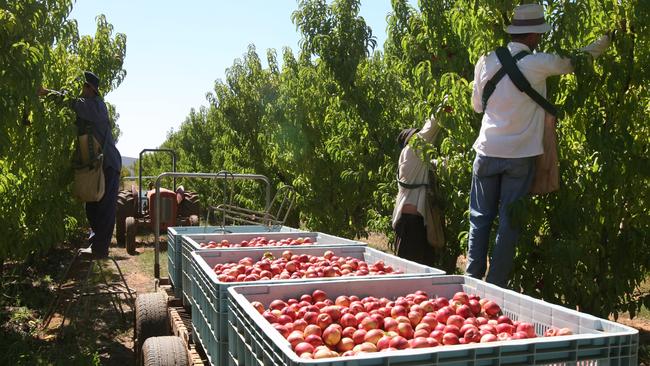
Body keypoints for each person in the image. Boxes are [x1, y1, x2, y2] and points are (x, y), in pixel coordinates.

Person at [465, 3, 611, 287]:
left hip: (485, 151)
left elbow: (476, 107)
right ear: (533, 36)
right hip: (519, 157)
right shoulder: (537, 62)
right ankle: (495, 287)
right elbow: (576, 60)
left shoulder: (485, 60)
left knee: (479, 219)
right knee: (509, 224)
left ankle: (471, 281)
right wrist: (607, 40)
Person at [39, 71, 122, 258]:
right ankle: (95, 244)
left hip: (108, 165)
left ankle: (101, 249)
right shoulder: (88, 110)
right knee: (91, 204)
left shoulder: (97, 107)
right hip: (95, 165)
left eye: (84, 87)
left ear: (91, 89)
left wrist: (47, 93)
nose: (82, 90)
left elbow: (72, 103)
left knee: (105, 208)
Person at [391, 111, 442, 266]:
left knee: (421, 274)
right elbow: (430, 129)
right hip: (411, 225)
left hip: (418, 224)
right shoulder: (411, 152)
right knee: (411, 273)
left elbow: (440, 164)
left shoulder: (417, 162)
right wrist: (444, 104)